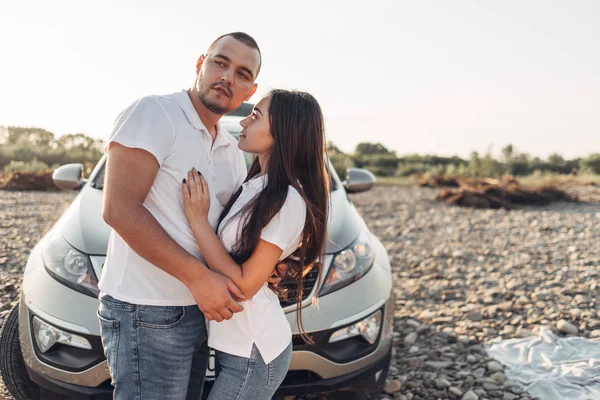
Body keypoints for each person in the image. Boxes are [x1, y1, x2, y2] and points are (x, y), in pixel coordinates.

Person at [98, 32, 277, 399]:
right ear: (200, 63)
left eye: (242, 74)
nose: (227, 77)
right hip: (147, 312)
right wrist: (198, 278)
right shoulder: (154, 113)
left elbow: (227, 229)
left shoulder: (230, 147)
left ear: (250, 91)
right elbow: (119, 209)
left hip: (203, 314)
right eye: (220, 62)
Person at [182, 89, 330, 399]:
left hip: (254, 352)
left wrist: (197, 221)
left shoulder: (288, 198)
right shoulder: (255, 186)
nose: (245, 121)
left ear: (282, 132)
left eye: (256, 115)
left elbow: (245, 286)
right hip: (236, 345)